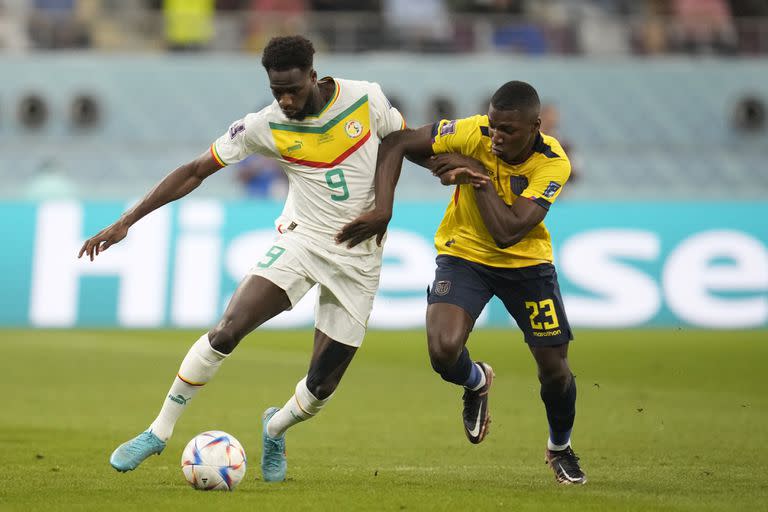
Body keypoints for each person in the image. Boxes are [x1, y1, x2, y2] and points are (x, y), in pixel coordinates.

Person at [78, 35, 405, 482]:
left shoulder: (366, 97)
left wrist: (446, 168)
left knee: (319, 390)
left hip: (359, 258)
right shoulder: (264, 125)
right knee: (226, 330)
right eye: (277, 91)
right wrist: (127, 220)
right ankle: (157, 432)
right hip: (303, 241)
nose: (286, 100)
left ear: (314, 75)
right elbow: (195, 171)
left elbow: (403, 143)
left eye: (294, 89)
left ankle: (274, 427)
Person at [337, 81, 586, 485]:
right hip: (464, 254)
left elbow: (509, 232)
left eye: (508, 130)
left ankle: (560, 448)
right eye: (493, 126)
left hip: (527, 265)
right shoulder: (474, 132)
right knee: (443, 350)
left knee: (555, 371)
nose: (497, 137)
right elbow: (397, 142)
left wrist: (477, 176)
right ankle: (477, 381)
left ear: (536, 126)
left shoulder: (553, 162)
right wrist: (384, 208)